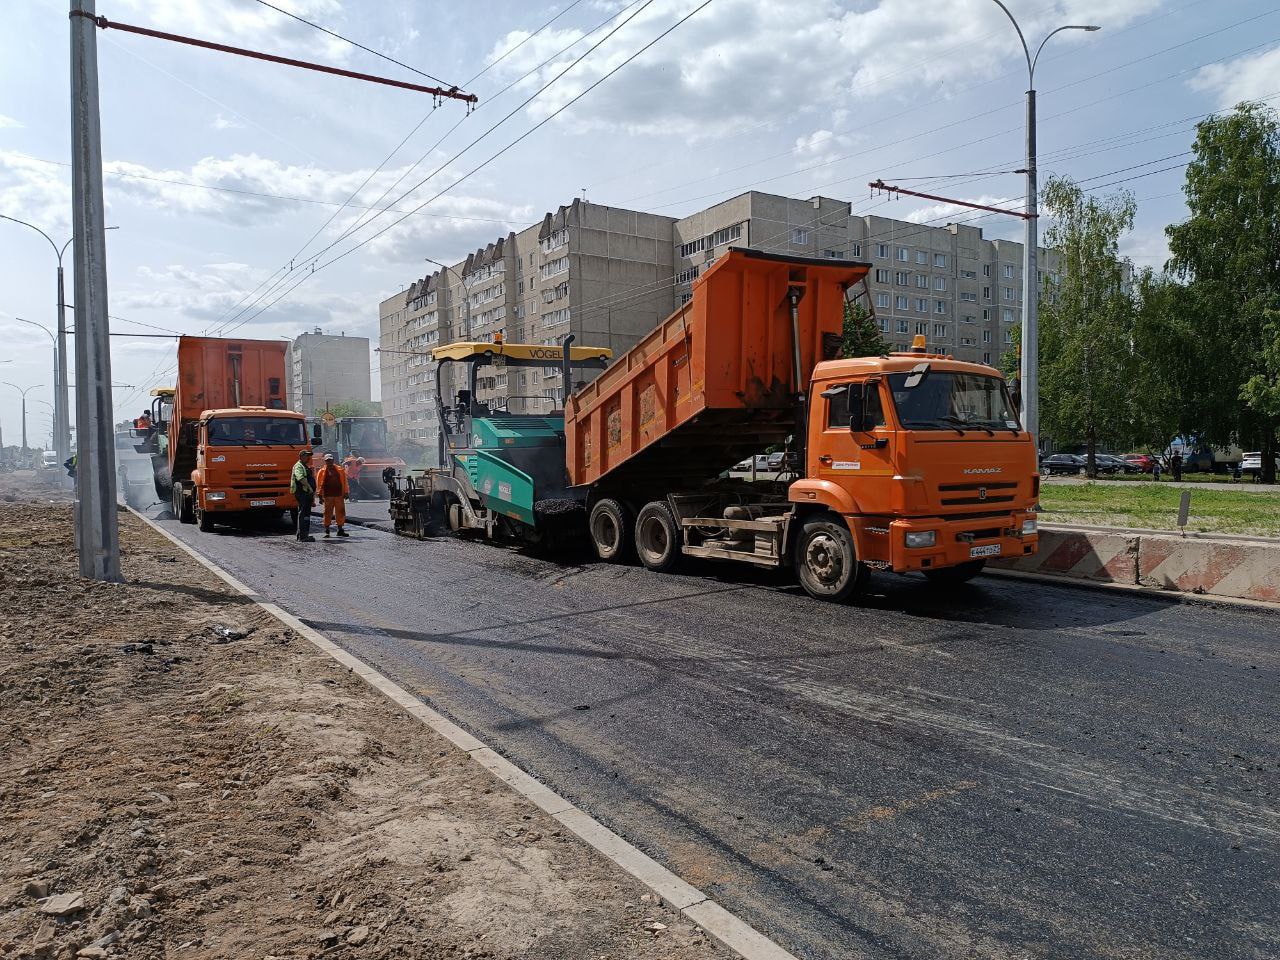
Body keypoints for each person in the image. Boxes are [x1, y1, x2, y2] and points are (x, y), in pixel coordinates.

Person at [315, 452, 350, 538]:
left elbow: (345, 482)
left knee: (340, 512)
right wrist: (319, 496)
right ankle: (327, 530)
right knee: (327, 513)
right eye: (327, 461)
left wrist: (346, 492)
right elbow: (319, 484)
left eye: (330, 460)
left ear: (333, 460)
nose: (329, 462)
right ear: (325, 462)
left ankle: (340, 529)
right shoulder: (321, 471)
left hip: (339, 495)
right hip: (328, 496)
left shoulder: (340, 470)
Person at [290, 449, 316, 542]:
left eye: (309, 456)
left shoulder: (304, 466)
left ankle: (304, 535)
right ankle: (302, 537)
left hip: (306, 493)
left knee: (306, 515)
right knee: (303, 514)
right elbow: (300, 477)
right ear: (301, 457)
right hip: (302, 493)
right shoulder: (298, 466)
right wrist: (309, 487)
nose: (308, 458)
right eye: (306, 456)